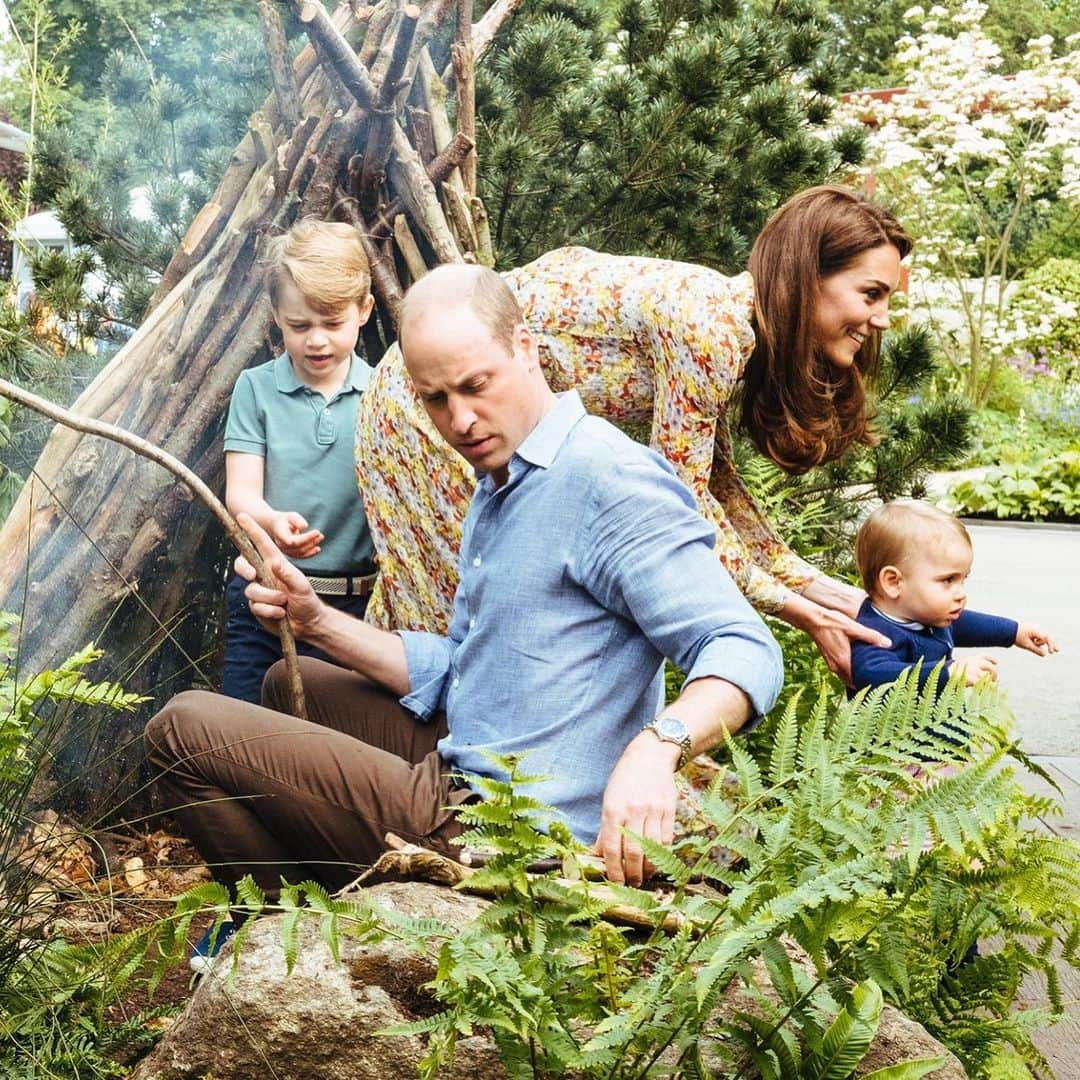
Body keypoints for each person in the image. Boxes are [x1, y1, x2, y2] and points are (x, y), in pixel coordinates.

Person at [144, 265, 783, 966]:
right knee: (288, 687)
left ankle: (297, 930)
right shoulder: (504, 480)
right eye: (436, 399)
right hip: (478, 754)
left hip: (509, 834)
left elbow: (743, 647)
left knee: (181, 729)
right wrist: (315, 620)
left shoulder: (608, 480)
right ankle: (326, 912)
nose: (461, 420)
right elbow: (473, 669)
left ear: (528, 348)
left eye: (477, 386)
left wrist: (658, 747)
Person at [356, 185, 911, 685]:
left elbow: (716, 486)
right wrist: (795, 609)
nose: (882, 318)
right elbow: (683, 508)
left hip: (445, 400)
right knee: (466, 613)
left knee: (445, 603)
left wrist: (819, 589)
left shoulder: (732, 326)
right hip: (421, 401)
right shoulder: (711, 328)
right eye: (871, 293)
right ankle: (448, 782)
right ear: (809, 277)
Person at [220, 219, 379, 703]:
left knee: (332, 747)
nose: (317, 341)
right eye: (300, 325)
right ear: (276, 316)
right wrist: (272, 521)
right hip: (265, 595)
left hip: (354, 607)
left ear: (364, 310)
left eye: (333, 324)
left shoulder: (382, 394)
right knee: (246, 734)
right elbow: (240, 493)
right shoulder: (256, 389)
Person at [850, 500, 1057, 697]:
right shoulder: (875, 632)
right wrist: (948, 673)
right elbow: (871, 675)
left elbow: (963, 624)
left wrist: (1015, 631)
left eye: (963, 579)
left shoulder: (928, 615)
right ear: (893, 582)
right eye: (948, 580)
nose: (961, 593)